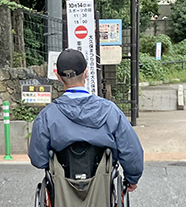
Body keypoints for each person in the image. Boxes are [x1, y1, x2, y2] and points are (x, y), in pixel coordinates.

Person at [29, 49, 144, 190]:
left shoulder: (46, 116)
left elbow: (38, 159)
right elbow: (131, 150)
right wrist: (132, 178)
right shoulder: (110, 111)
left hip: (62, 191)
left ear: (58, 76)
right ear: (86, 73)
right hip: (102, 188)